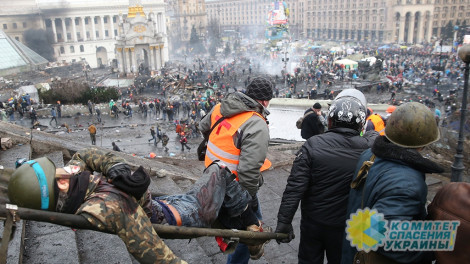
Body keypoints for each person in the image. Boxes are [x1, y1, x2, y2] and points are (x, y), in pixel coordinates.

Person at [7, 148, 265, 263]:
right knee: (220, 170)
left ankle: (245, 228)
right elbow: (157, 256)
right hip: (183, 214)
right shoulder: (111, 207)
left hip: (163, 203)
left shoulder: (72, 185)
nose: (67, 167)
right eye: (60, 170)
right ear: (62, 183)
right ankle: (253, 238)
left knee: (230, 194)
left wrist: (115, 167)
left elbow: (85, 155)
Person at [276, 89, 378, 264]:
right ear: (361, 125)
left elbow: (295, 186)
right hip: (345, 226)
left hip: (313, 222)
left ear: (330, 121)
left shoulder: (313, 144)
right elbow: (374, 135)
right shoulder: (368, 148)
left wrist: (284, 221)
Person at [341, 102, 443, 264]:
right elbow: (388, 239)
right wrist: (434, 247)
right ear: (425, 141)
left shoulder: (369, 155)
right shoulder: (406, 181)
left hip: (354, 252)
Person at [199, 76, 273, 262]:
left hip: (212, 174)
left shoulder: (220, 107)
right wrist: (244, 206)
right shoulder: (256, 123)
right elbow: (248, 172)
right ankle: (251, 245)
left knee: (252, 223)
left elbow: (203, 126)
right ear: (264, 101)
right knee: (248, 231)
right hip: (236, 187)